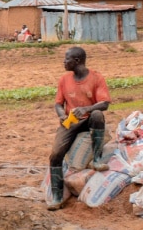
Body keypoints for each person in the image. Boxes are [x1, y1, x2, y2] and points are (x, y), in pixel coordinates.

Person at [47, 46, 111, 210]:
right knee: (55, 155)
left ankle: (96, 159)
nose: (63, 62)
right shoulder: (64, 80)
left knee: (98, 114)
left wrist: (86, 109)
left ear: (77, 61)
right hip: (71, 121)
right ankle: (57, 196)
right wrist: (62, 115)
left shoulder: (96, 78)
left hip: (88, 119)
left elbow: (104, 103)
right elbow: (58, 104)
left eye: (66, 59)